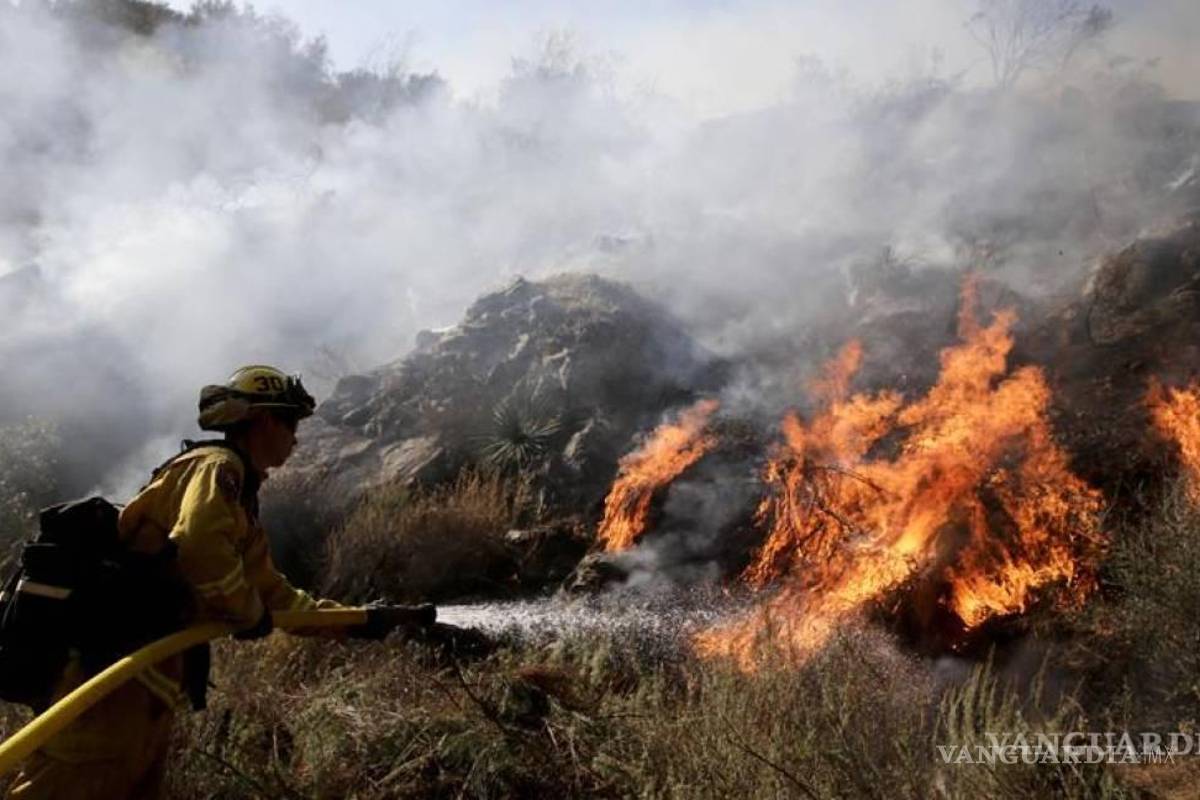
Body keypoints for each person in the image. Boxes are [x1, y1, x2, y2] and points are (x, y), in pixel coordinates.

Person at [5, 365, 427, 799]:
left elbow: (277, 597)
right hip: (109, 675)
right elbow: (199, 544)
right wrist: (246, 614)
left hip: (144, 686)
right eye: (290, 422)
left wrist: (372, 622)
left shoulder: (240, 504)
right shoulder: (216, 466)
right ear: (263, 420)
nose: (295, 437)